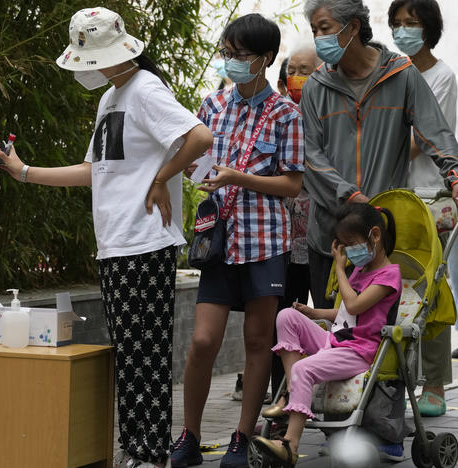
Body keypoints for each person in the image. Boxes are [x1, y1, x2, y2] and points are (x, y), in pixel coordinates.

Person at [0, 7, 213, 468]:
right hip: (116, 240)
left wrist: (161, 178)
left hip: (144, 240)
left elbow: (200, 136)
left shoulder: (146, 89)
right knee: (132, 352)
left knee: (145, 353)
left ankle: (148, 453)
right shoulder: (112, 97)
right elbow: (96, 171)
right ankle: (136, 449)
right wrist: (24, 172)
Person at [170, 14, 304, 468]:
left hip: (265, 240)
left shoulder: (286, 113)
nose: (231, 62)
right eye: (226, 53)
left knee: (256, 339)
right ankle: (187, 434)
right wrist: (199, 172)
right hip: (218, 238)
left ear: (265, 59)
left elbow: (291, 185)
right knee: (203, 340)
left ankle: (240, 438)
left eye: (240, 55)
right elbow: (198, 163)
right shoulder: (212, 106)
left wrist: (237, 177)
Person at [301, 0, 458, 316]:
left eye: (325, 28)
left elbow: (436, 133)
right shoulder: (315, 87)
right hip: (330, 238)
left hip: (382, 236)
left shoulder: (402, 76)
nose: (318, 38)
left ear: (353, 27)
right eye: (315, 30)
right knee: (333, 338)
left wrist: (454, 175)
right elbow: (310, 157)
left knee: (380, 345)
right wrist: (350, 196)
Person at [251, 203, 401, 467]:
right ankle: (290, 395)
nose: (347, 252)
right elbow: (345, 313)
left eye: (350, 244)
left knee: (304, 370)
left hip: (358, 351)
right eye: (342, 245)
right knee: (286, 316)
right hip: (335, 341)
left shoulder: (389, 276)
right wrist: (312, 312)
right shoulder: (360, 270)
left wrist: (340, 269)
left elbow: (354, 304)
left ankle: (290, 445)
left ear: (374, 236)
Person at [388, 0, 457, 418]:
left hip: (430, 196)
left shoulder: (441, 76)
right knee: (396, 289)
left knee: (432, 289)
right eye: (396, 23)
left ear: (429, 28)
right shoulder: (393, 73)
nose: (401, 31)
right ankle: (396, 378)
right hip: (394, 195)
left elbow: (424, 138)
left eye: (410, 23)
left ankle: (434, 382)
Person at [261, 45, 321, 427]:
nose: (298, 77)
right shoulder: (278, 116)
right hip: (284, 241)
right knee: (282, 323)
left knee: (336, 320)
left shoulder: (327, 114)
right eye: (293, 71)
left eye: (306, 70)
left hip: (324, 238)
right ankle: (281, 398)